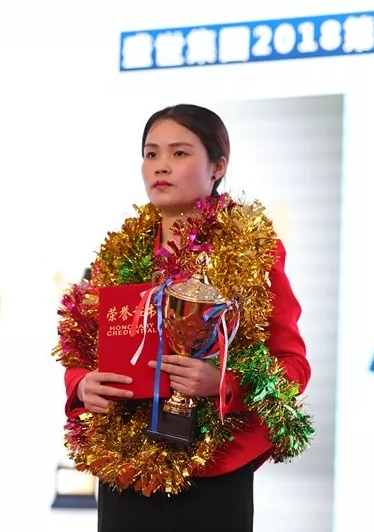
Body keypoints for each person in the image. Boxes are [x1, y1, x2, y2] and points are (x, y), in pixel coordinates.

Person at [53, 104, 313, 532]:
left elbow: (293, 366)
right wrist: (82, 385)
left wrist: (222, 383)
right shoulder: (117, 257)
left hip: (214, 468)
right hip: (126, 469)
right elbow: (81, 355)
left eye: (179, 153)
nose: (161, 166)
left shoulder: (254, 251)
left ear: (218, 167)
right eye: (151, 153)